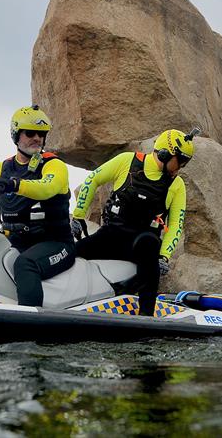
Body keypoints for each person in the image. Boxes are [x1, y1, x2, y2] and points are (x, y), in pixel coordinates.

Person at [71, 128, 198, 316]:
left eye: (185, 162)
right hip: (112, 237)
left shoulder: (176, 185)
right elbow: (93, 179)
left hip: (142, 245)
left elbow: (176, 225)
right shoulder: (127, 161)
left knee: (149, 244)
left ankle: (146, 316)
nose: (180, 167)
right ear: (164, 154)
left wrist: (164, 256)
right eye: (179, 161)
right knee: (70, 252)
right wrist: (78, 215)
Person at [0, 105, 75, 307]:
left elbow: (46, 188)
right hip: (16, 240)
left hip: (57, 243)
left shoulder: (54, 165)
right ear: (16, 134)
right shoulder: (1, 168)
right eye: (30, 133)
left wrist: (13, 184)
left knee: (25, 264)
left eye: (41, 134)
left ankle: (31, 335)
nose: (37, 138)